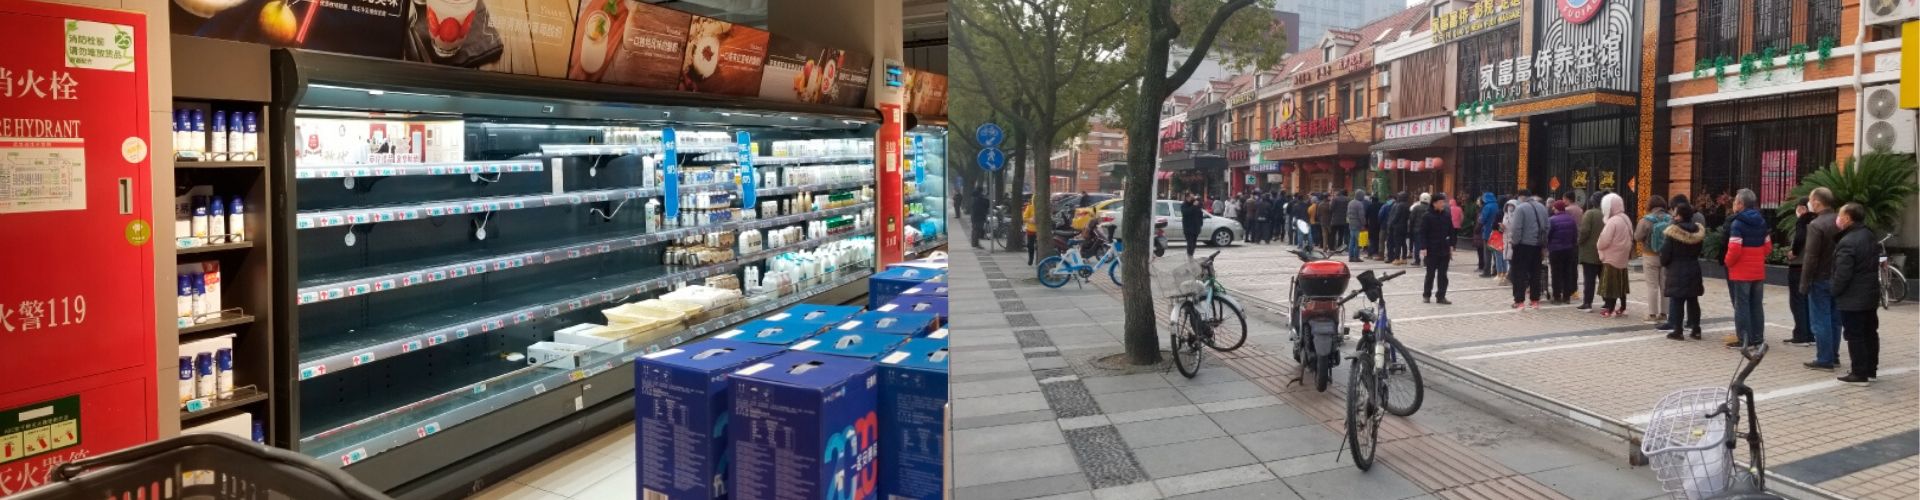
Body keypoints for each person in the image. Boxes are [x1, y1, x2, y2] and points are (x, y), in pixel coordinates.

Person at [1830, 203, 1881, 386]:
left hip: (1853, 297)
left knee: (1855, 334)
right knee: (1870, 332)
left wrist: (1834, 291)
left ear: (1848, 218)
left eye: (1840, 214)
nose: (1838, 218)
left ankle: (1859, 374)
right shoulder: (1869, 235)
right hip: (1869, 294)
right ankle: (1870, 370)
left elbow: (1843, 273)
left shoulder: (1848, 241)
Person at [1801, 188, 1843, 370]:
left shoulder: (1816, 225)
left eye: (1811, 200)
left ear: (1817, 202)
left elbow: (1811, 257)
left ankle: (1824, 358)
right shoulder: (1840, 221)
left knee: (1821, 319)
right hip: (1838, 276)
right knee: (1835, 318)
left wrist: (1804, 282)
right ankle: (1833, 355)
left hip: (1819, 278)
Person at [1724, 189, 1769, 348]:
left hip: (1741, 271)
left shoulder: (1737, 223)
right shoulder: (1762, 221)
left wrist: (1728, 262)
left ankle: (1744, 339)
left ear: (1741, 204)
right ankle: (1758, 338)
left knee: (1741, 305)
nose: (1734, 204)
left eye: (1735, 201)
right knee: (1756, 304)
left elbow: (1734, 248)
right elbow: (1767, 246)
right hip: (1758, 270)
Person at [1661, 202, 1707, 340]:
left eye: (1675, 213)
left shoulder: (1672, 232)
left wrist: (1665, 263)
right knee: (1693, 300)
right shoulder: (1698, 232)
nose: (1673, 216)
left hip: (1676, 269)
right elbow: (1699, 251)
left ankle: (1678, 330)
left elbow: (1665, 254)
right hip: (1693, 268)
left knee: (1677, 301)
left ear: (1679, 216)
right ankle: (1696, 328)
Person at [1595, 193, 1634, 317]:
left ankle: (1610, 309)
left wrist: (1599, 247)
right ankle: (1622, 307)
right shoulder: (1625, 218)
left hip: (1611, 257)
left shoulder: (1613, 221)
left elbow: (1604, 240)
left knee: (1610, 285)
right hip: (1623, 257)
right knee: (1622, 284)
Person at [1635, 195, 1673, 326]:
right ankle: (1664, 314)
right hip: (1666, 256)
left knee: (1652, 286)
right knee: (1664, 286)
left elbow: (1637, 236)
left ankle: (1652, 314)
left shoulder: (1646, 220)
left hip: (1650, 255)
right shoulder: (1670, 219)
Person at [1509, 190, 1549, 308]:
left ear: (1521, 197)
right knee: (1535, 273)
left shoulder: (1520, 208)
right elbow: (1547, 226)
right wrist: (1543, 244)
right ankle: (1535, 300)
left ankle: (1519, 301)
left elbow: (1516, 228)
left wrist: (1514, 243)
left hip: (1523, 245)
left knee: (1519, 273)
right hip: (1538, 245)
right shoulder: (1542, 207)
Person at [1786, 201, 1816, 347]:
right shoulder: (1818, 220)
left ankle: (1801, 335)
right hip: (1812, 266)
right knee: (1807, 301)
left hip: (1798, 265)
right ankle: (1810, 334)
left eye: (1798, 208)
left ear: (1803, 208)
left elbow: (1799, 238)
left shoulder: (1803, 221)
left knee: (1797, 301)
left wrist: (1794, 252)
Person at [1422, 194, 1456, 304]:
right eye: (1441, 202)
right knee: (1430, 274)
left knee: (1443, 275)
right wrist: (1423, 247)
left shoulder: (1446, 215)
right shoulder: (1427, 216)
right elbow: (1422, 233)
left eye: (1443, 202)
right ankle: (1427, 295)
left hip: (1444, 249)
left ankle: (1441, 296)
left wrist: (1451, 245)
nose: (1443, 204)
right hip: (1431, 249)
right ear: (1434, 203)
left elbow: (1451, 231)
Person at [1576, 192, 1605, 310]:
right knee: (1603, 277)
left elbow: (1584, 232)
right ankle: (1607, 301)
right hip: (1605, 251)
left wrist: (1579, 242)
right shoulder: (1607, 214)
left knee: (1589, 279)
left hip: (1590, 251)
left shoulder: (1590, 213)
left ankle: (1587, 302)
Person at [1547, 200, 1579, 304]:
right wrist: (1572, 245)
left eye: (1554, 207)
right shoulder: (1571, 220)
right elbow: (1575, 235)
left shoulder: (1551, 220)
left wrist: (1548, 246)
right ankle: (1566, 297)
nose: (1553, 209)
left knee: (1556, 273)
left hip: (1555, 250)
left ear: (1557, 208)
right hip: (1569, 250)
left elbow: (1548, 235)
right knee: (1567, 273)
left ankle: (1557, 297)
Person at [1477, 192, 1500, 277]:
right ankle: (1496, 270)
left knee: (1487, 253)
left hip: (1487, 232)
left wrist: (1477, 228)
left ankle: (1486, 271)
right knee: (1496, 253)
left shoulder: (1487, 207)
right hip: (1496, 232)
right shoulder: (1497, 205)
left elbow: (1482, 219)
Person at [1386, 192, 1410, 264]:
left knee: (1397, 243)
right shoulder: (1407, 205)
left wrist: (1391, 224)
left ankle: (1397, 258)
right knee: (1403, 243)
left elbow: (1397, 216)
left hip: (1397, 227)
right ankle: (1404, 258)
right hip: (1404, 226)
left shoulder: (1399, 205)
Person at [1409, 193, 1432, 266]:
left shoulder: (1416, 208)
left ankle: (1417, 260)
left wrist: (1410, 228)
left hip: (1417, 229)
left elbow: (1411, 219)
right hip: (1428, 230)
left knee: (1417, 246)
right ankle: (1426, 260)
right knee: (1427, 246)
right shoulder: (1431, 208)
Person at [1347, 191, 1367, 262]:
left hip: (1351, 224)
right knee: (1358, 242)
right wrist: (1363, 224)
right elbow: (1361, 216)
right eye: (1363, 196)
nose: (1363, 197)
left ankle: (1350, 257)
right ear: (1360, 196)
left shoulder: (1350, 202)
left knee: (1352, 241)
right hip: (1358, 225)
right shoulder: (1359, 204)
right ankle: (1356, 257)